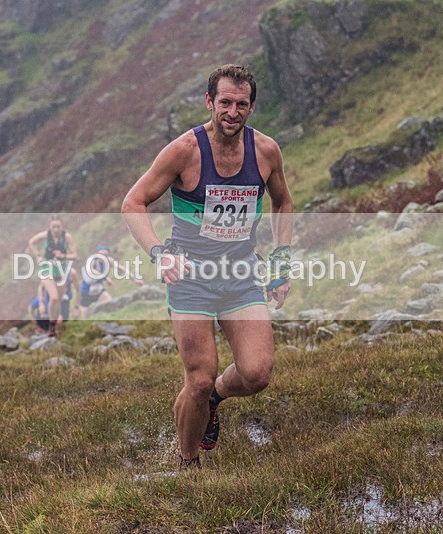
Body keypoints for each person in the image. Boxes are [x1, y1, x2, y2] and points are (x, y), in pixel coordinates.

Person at [121, 64, 293, 468]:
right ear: (209, 102)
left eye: (242, 104)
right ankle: (187, 462)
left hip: (240, 274)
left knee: (257, 373)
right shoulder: (184, 150)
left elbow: (283, 201)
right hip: (191, 277)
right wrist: (159, 253)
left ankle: (216, 397)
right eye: (225, 103)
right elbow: (133, 202)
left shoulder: (265, 151)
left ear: (251, 107)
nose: (232, 112)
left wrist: (281, 262)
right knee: (197, 378)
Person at [28, 216, 78, 336]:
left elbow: (75, 255)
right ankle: (51, 326)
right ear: (50, 228)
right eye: (53, 227)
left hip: (60, 270)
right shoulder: (45, 235)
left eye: (58, 227)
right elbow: (32, 242)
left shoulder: (66, 237)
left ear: (62, 227)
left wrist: (63, 256)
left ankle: (52, 325)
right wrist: (38, 256)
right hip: (47, 269)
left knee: (58, 302)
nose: (56, 230)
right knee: (54, 297)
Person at [78, 245, 145, 319]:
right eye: (101, 254)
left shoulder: (108, 260)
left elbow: (121, 268)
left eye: (105, 255)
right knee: (85, 316)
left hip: (99, 290)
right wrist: (105, 277)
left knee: (111, 305)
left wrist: (134, 279)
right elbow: (91, 271)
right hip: (87, 291)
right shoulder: (92, 260)